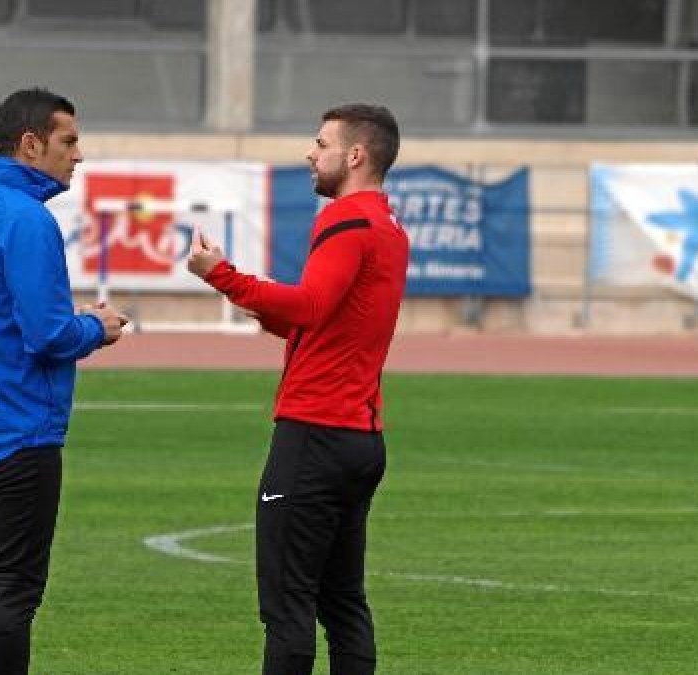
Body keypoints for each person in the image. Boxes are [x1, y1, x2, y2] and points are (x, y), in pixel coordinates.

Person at [187, 103, 409, 675]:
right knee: (343, 603)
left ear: (354, 155)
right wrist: (254, 303)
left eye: (321, 143)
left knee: (288, 608)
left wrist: (222, 275)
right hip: (361, 436)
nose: (310, 154)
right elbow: (318, 320)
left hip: (314, 433)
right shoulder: (388, 228)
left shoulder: (345, 219)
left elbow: (308, 305)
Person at [0, 87, 127, 675]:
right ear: (31, 144)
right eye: (69, 141)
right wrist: (97, 327)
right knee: (12, 591)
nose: (79, 155)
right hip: (22, 430)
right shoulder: (27, 220)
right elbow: (47, 335)